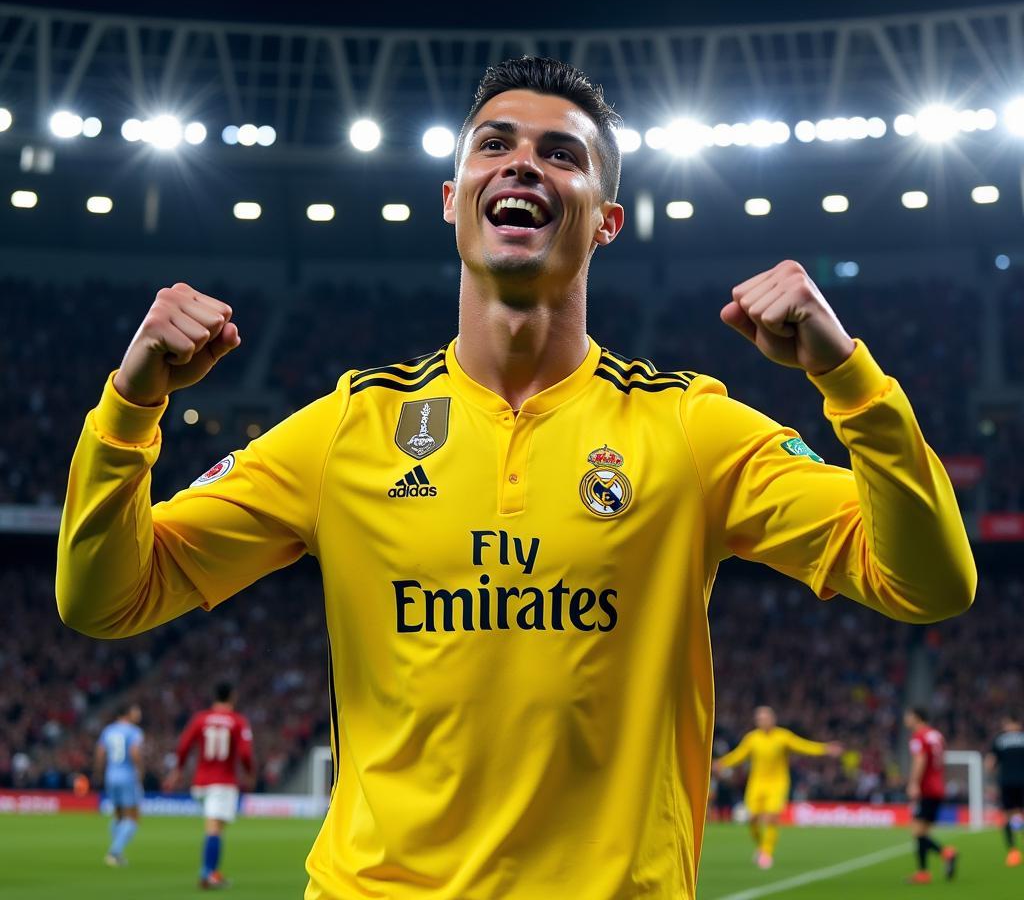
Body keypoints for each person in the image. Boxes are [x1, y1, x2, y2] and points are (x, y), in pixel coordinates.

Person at [57, 56, 977, 900]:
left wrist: (849, 377)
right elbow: (106, 600)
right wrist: (131, 406)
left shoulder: (688, 426)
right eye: (495, 145)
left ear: (608, 220)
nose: (523, 164)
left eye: (562, 154)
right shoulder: (350, 428)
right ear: (453, 198)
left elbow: (928, 584)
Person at [712, 706, 841, 869]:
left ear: (773, 719)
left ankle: (767, 853)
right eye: (759, 718)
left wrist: (825, 749)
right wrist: (722, 763)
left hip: (777, 783)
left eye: (765, 718)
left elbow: (803, 746)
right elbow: (739, 755)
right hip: (757, 783)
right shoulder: (752, 739)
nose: (762, 721)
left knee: (771, 817)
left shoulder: (783, 736)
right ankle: (761, 847)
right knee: (752, 819)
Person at [163, 681, 253, 890]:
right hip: (222, 782)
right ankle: (208, 874)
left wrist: (177, 771)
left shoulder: (200, 719)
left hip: (201, 782)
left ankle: (211, 872)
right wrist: (249, 773)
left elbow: (184, 745)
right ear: (232, 697)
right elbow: (246, 753)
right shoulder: (237, 721)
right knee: (214, 829)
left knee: (215, 828)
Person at [904, 707, 957, 883]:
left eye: (908, 716)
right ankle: (924, 872)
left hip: (926, 789)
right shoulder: (937, 735)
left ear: (916, 717)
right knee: (923, 832)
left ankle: (944, 854)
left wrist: (913, 783)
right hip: (938, 787)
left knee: (917, 832)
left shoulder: (919, 736)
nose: (906, 719)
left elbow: (920, 759)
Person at [94, 702, 143, 867]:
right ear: (127, 713)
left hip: (111, 775)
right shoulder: (134, 731)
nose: (138, 713)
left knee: (118, 815)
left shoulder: (108, 730)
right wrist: (140, 771)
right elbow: (134, 752)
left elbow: (100, 753)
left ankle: (117, 852)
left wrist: (99, 773)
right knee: (133, 818)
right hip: (127, 776)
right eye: (136, 710)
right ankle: (114, 852)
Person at [987, 715, 1024, 866]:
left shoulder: (1000, 739)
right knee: (1019, 815)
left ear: (1008, 723)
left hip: (1007, 782)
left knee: (1008, 816)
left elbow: (990, 763)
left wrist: (989, 781)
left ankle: (1013, 852)